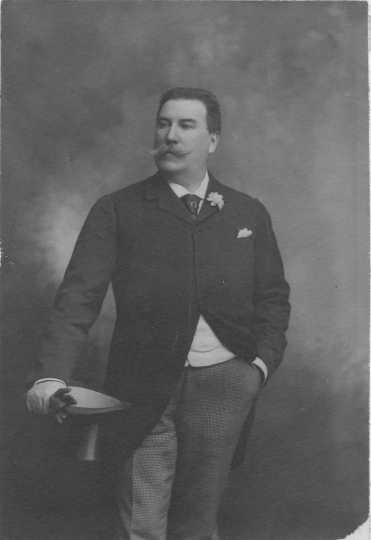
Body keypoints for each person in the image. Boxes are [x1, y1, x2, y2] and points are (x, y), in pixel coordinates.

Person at [26, 87, 290, 540]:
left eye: (186, 125)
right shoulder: (116, 209)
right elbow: (77, 298)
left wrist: (259, 366)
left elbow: (273, 298)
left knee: (199, 520)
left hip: (226, 382)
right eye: (163, 123)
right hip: (142, 384)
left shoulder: (248, 212)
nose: (171, 136)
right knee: (143, 521)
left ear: (212, 141)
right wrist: (52, 375)